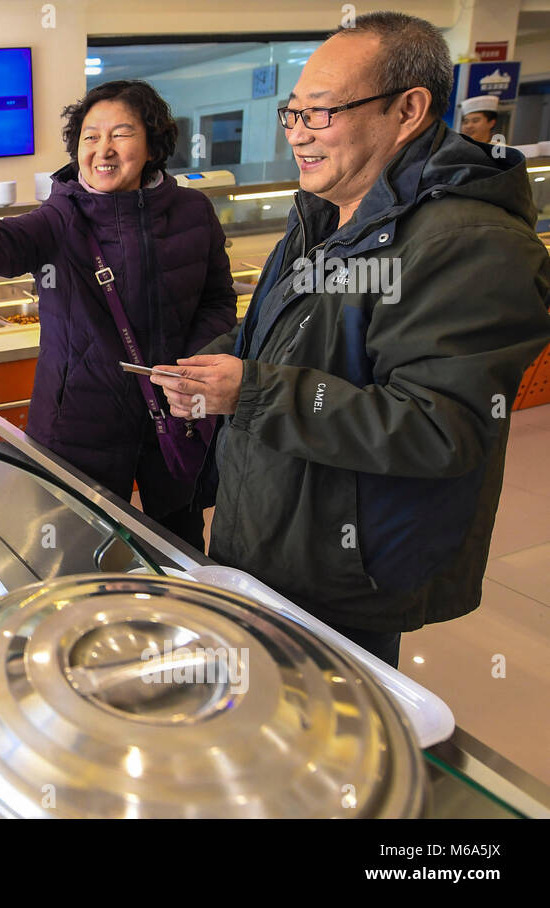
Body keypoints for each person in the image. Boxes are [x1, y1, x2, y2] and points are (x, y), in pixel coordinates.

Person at [150, 12, 550, 668]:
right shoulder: (325, 214)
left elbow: (438, 427)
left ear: (408, 109)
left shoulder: (470, 244)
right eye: (292, 114)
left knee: (333, 739)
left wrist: (250, 391)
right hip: (267, 535)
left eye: (322, 112)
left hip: (343, 566)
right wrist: (212, 361)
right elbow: (279, 337)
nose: (299, 134)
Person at [0, 81, 236, 550]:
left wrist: (188, 370)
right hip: (77, 420)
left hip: (174, 412)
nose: (102, 148)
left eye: (120, 133)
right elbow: (2, 244)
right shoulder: (61, 216)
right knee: (73, 542)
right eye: (90, 136)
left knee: (174, 542)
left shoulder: (192, 212)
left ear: (152, 144)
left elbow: (217, 300)